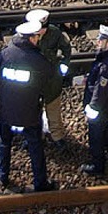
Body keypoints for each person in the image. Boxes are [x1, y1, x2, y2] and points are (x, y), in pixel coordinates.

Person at [0, 19, 56, 192]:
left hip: (6, 111)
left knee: (4, 143)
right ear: (31, 38)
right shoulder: (37, 60)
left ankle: (2, 175)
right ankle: (40, 182)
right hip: (29, 113)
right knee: (35, 147)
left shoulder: (5, 54)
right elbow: (50, 79)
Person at [25, 8, 71, 149]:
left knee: (53, 110)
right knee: (32, 111)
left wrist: (64, 64)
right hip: (33, 81)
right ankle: (35, 136)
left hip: (52, 80)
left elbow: (66, 49)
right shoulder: (26, 35)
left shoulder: (55, 33)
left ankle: (57, 136)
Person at [80, 25, 108, 176]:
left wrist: (93, 108)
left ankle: (98, 166)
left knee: (96, 135)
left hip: (100, 107)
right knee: (105, 129)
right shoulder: (106, 56)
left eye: (101, 40)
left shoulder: (107, 64)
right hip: (104, 106)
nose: (98, 42)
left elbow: (101, 90)